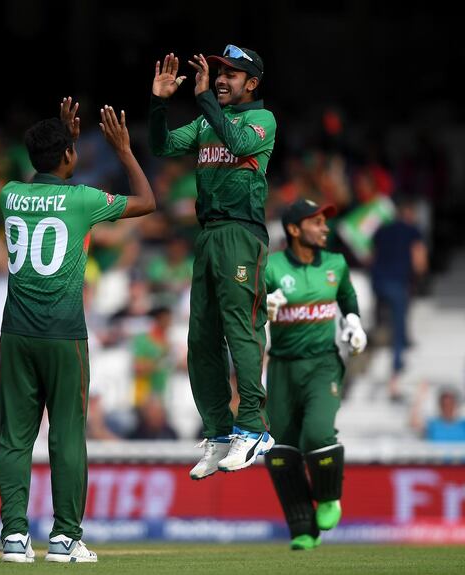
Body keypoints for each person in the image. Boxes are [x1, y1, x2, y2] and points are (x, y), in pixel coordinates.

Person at [0, 99, 155, 563]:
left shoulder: (9, 194)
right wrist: (124, 150)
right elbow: (148, 202)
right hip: (64, 334)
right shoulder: (82, 198)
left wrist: (61, 142)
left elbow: (39, 183)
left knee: (15, 438)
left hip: (16, 334)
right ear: (69, 155)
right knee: (66, 435)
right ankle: (65, 539)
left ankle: (13, 538)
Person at [148, 45, 277, 477]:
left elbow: (238, 142)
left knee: (242, 330)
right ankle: (221, 434)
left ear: (252, 84)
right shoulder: (207, 120)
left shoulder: (262, 120)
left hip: (242, 234)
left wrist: (204, 99)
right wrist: (158, 104)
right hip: (207, 236)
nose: (221, 80)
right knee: (200, 339)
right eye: (218, 73)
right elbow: (162, 145)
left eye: (231, 76)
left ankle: (254, 429)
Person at [263, 198, 367, 550]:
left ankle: (327, 497)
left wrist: (353, 323)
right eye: (316, 222)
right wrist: (264, 305)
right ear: (294, 230)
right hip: (281, 367)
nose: (325, 228)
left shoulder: (336, 264)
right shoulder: (272, 266)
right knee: (281, 451)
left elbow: (347, 297)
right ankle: (302, 527)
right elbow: (246, 308)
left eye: (325, 222)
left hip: (323, 362)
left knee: (318, 433)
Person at [371, 196, 428, 401]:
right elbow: (419, 259)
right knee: (398, 329)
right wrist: (420, 279)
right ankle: (396, 371)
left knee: (382, 324)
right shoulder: (412, 231)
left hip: (378, 283)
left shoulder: (381, 230)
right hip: (397, 283)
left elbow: (372, 255)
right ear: (409, 213)